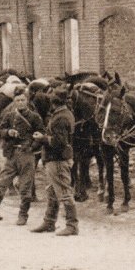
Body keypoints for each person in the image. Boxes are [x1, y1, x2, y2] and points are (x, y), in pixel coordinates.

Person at [0, 87, 44, 225]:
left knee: (25, 188)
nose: (20, 103)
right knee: (1, 184)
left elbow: (40, 136)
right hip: (12, 155)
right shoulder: (9, 116)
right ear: (14, 102)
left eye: (22, 100)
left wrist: (31, 147)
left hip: (27, 156)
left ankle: (23, 216)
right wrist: (8, 132)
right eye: (17, 100)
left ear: (27, 101)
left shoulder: (34, 117)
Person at [30, 87, 79, 236]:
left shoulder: (60, 118)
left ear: (54, 102)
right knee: (51, 192)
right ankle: (49, 221)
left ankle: (72, 225)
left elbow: (59, 142)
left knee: (64, 192)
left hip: (57, 159)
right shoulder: (63, 114)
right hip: (55, 158)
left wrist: (42, 138)